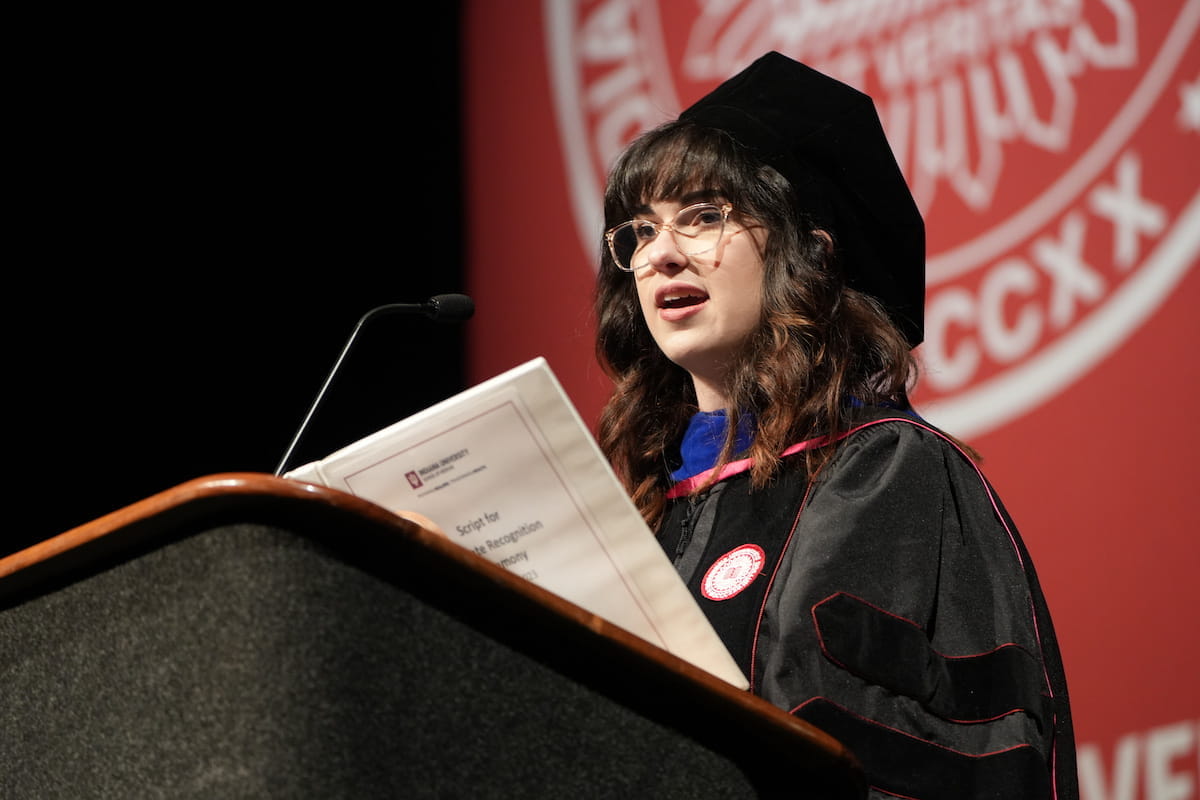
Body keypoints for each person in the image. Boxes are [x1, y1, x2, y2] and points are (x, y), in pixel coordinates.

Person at [593, 52, 1078, 799]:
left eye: (701, 217)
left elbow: (976, 755)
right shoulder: (649, 511)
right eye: (641, 231)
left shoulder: (889, 472)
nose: (660, 255)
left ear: (808, 256)